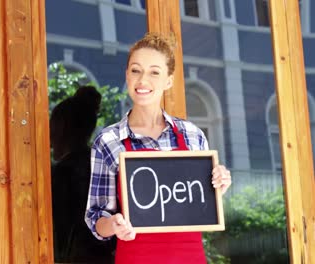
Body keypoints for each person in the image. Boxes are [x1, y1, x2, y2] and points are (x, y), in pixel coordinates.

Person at [84, 32, 232, 263]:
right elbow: (96, 218)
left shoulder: (192, 135)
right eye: (136, 70)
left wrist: (218, 185)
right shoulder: (108, 140)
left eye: (154, 72)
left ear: (169, 80)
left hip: (189, 257)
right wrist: (113, 225)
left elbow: (202, 207)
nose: (143, 80)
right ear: (127, 75)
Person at [51, 85, 114, 263]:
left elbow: (60, 234)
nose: (49, 139)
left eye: (52, 130)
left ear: (62, 132)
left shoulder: (62, 173)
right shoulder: (103, 167)